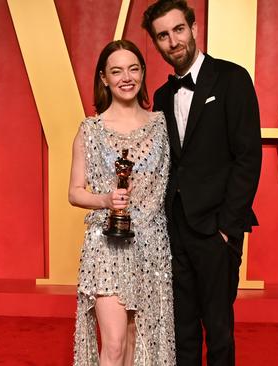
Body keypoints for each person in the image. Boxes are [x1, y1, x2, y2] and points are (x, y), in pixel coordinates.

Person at [142, 1, 263, 365]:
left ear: (193, 27)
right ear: (156, 43)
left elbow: (248, 157)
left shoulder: (232, 79)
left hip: (215, 230)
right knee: (183, 332)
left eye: (178, 29)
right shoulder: (162, 98)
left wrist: (227, 227)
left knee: (220, 331)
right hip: (174, 230)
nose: (172, 41)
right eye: (162, 35)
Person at [69, 40, 175, 366]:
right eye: (116, 71)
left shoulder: (162, 126)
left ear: (143, 72)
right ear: (104, 78)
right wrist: (105, 199)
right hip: (108, 247)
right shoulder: (90, 130)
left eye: (133, 68)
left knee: (137, 339)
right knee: (114, 344)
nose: (126, 77)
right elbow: (75, 192)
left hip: (153, 248)